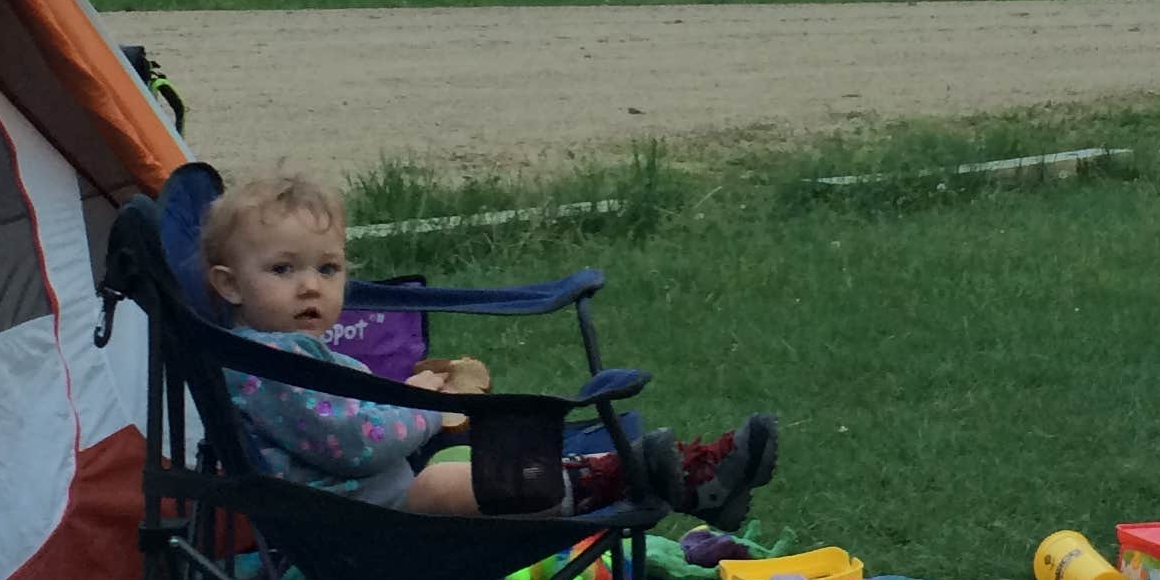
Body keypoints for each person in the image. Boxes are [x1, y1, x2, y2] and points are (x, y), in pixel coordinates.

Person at [198, 171, 776, 522]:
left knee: (474, 466)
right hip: (355, 526)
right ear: (228, 284)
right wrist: (422, 403)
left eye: (328, 268)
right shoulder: (262, 367)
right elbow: (356, 445)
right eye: (283, 268)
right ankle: (646, 473)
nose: (310, 285)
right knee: (449, 481)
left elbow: (362, 425)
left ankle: (680, 474)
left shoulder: (298, 355)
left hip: (383, 505)